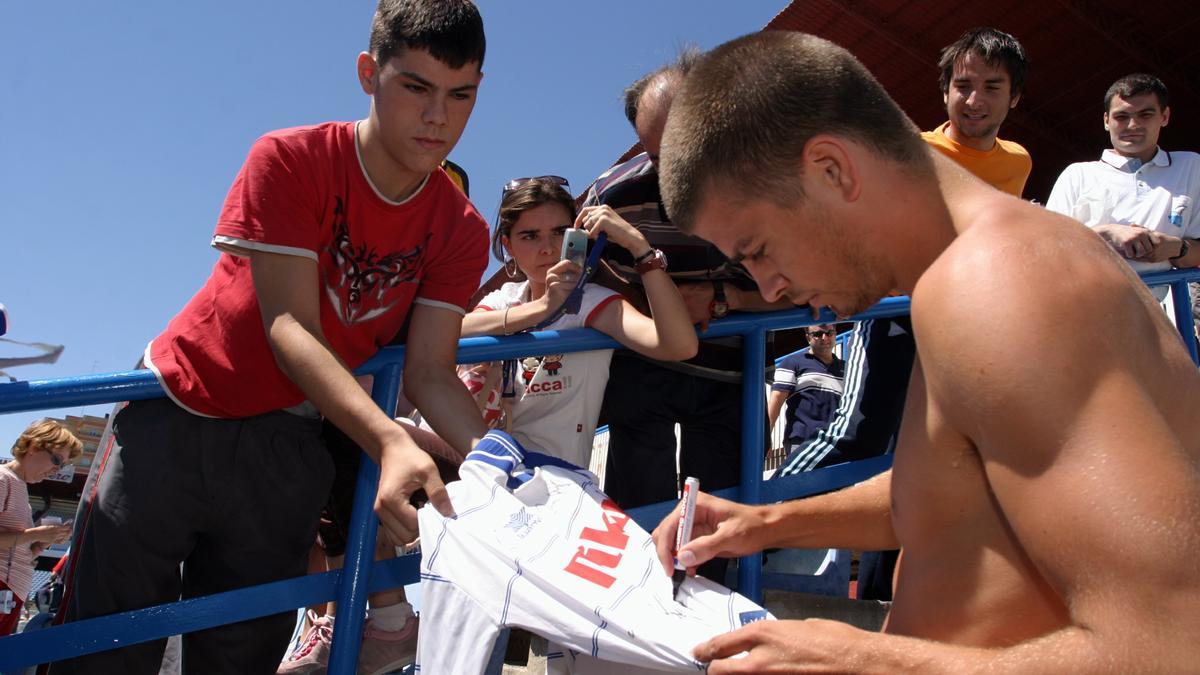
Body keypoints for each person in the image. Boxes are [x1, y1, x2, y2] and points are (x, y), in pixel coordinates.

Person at [650, 30, 1200, 672]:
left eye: (757, 249)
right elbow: (963, 487)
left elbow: (1174, 643)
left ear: (831, 170)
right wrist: (766, 522)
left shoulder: (1002, 284)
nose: (769, 287)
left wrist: (870, 660)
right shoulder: (969, 275)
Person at [54, 1, 491, 672]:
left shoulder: (460, 227)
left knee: (242, 653)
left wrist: (509, 466)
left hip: (292, 437)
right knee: (105, 643)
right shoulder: (291, 157)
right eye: (416, 87)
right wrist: (387, 438)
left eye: (460, 95)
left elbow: (431, 371)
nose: (438, 116)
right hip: (178, 408)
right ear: (368, 73)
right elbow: (289, 325)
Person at [777, 27, 1033, 602]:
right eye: (963, 85)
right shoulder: (908, 149)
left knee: (931, 456)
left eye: (992, 87)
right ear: (943, 92)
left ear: (1014, 98)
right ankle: (757, 511)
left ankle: (882, 592)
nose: (975, 99)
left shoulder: (1018, 161)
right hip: (899, 311)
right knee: (859, 434)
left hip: (965, 317)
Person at [584, 51, 789, 517]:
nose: (673, 172)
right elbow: (588, 286)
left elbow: (813, 291)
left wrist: (725, 297)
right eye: (657, 157)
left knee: (722, 524)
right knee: (641, 519)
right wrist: (660, 303)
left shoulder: (777, 190)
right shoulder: (613, 196)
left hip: (735, 371)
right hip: (645, 369)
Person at [462, 175, 697, 468]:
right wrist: (543, 307)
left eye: (560, 232)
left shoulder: (589, 302)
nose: (547, 247)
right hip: (482, 465)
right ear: (508, 246)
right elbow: (452, 332)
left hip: (555, 480)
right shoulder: (507, 298)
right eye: (530, 236)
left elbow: (680, 345)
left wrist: (640, 248)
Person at [1047, 74, 1199, 283]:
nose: (1132, 125)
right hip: (1092, 305)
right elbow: (1048, 250)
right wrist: (1108, 233)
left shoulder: (1191, 166)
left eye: (1145, 115)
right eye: (1121, 117)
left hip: (1164, 310)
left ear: (1165, 117)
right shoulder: (1077, 175)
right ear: (1106, 121)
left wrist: (1176, 248)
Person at [1, 420, 80, 637]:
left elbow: (18, 552)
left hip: (11, 592)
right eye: (56, 460)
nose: (57, 469)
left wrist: (43, 542)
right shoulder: (3, 479)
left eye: (62, 465)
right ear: (34, 446)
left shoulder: (19, 486)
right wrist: (36, 534)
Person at [766, 324, 844, 475]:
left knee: (836, 494)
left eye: (829, 333)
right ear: (808, 337)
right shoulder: (792, 362)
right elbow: (776, 400)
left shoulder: (846, 368)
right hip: (802, 441)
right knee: (803, 494)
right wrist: (765, 437)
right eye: (818, 334)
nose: (825, 338)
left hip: (835, 444)